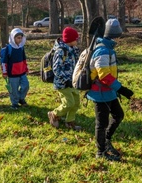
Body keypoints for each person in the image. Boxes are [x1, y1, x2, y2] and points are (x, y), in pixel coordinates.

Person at [87, 18, 134, 161]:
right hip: (100, 94)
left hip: (109, 93)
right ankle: (100, 152)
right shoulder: (102, 50)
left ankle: (106, 140)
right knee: (101, 124)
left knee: (118, 115)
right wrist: (122, 89)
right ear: (114, 35)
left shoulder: (108, 48)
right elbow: (104, 76)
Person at [48, 27, 82, 130]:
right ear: (70, 40)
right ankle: (54, 114)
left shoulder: (73, 50)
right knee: (69, 103)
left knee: (76, 103)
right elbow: (56, 68)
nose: (77, 40)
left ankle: (70, 122)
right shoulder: (61, 51)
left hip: (72, 82)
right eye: (76, 39)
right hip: (62, 83)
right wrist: (65, 80)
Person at [0, 28, 29, 109]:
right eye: (18, 38)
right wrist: (4, 72)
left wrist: (26, 68)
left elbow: (24, 59)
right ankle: (14, 103)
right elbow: (4, 62)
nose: (20, 40)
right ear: (13, 38)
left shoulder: (21, 47)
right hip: (12, 74)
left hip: (22, 72)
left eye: (21, 38)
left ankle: (20, 98)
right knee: (14, 90)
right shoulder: (8, 48)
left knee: (26, 85)